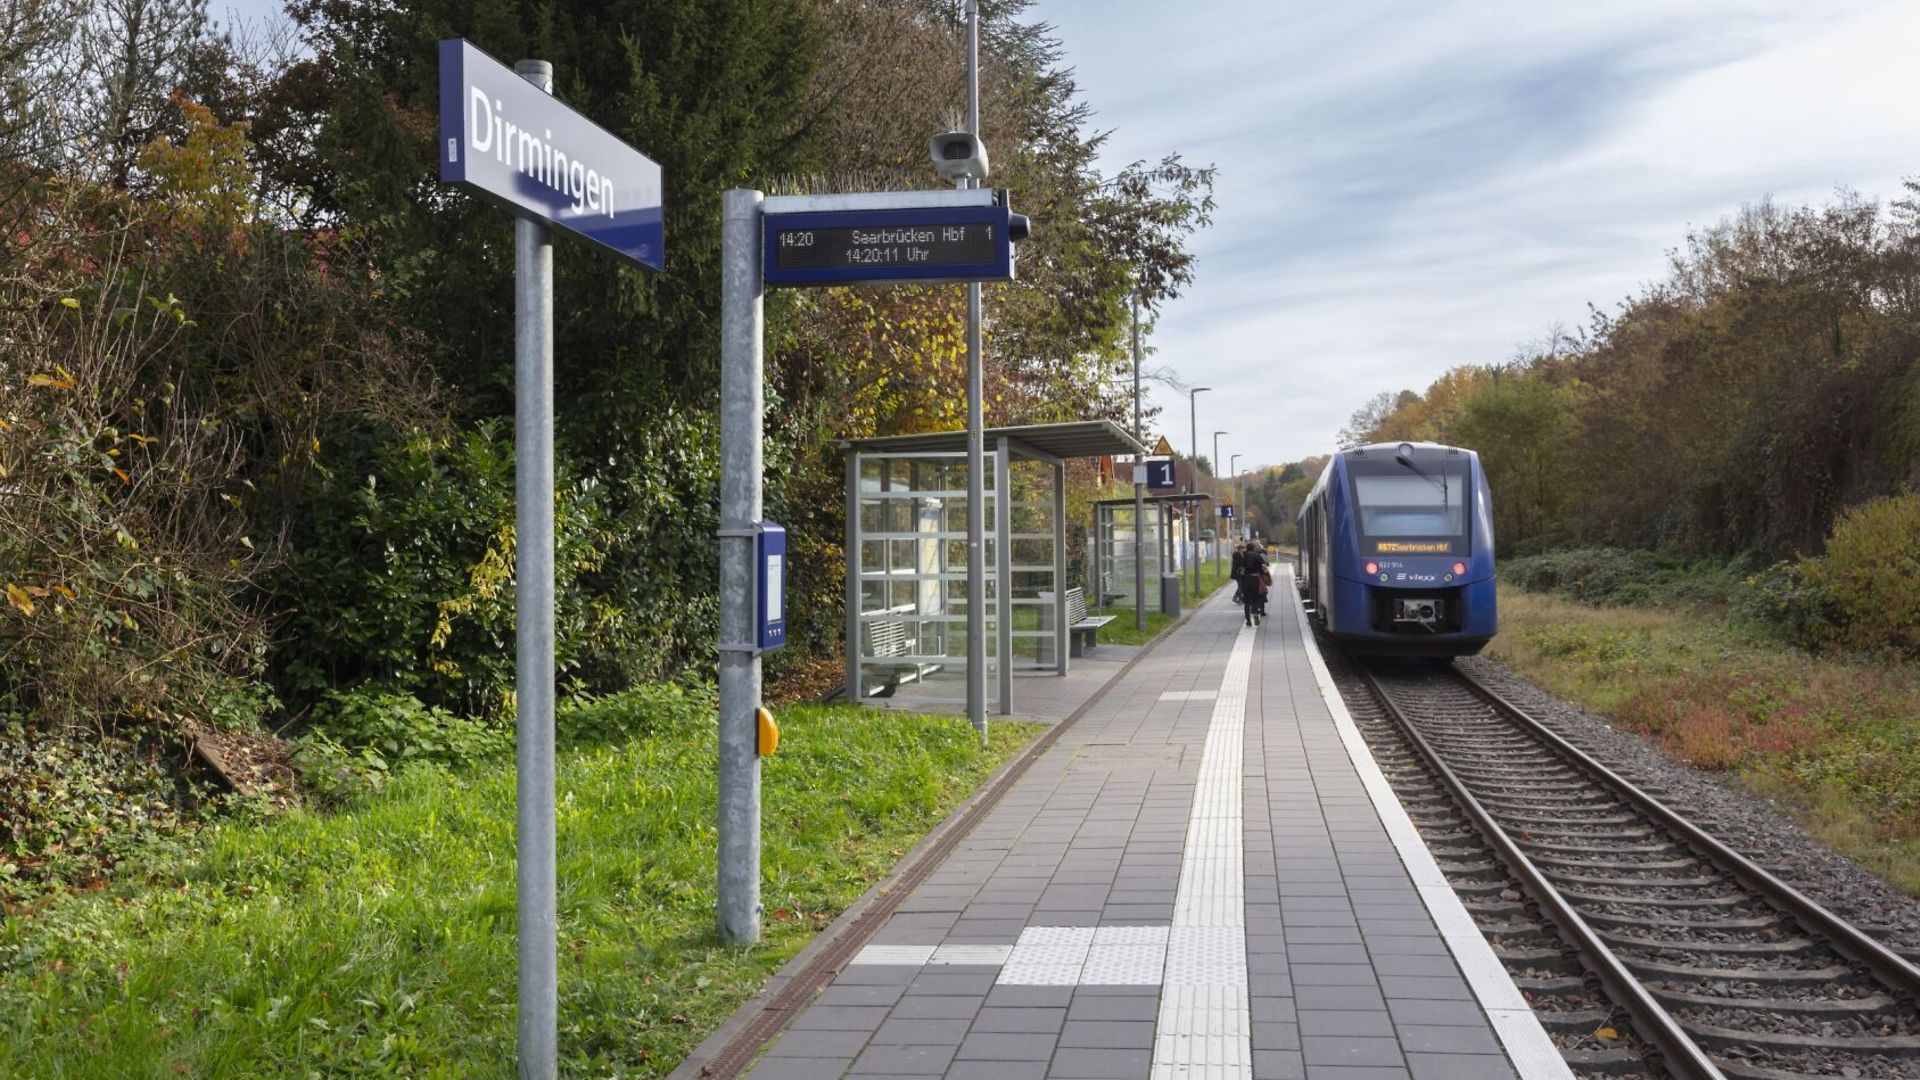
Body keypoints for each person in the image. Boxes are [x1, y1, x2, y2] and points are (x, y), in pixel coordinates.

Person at [1241, 542, 1269, 627]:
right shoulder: (1257, 556)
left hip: (1246, 580)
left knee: (1246, 601)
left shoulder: (1243, 556)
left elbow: (1241, 569)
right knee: (1255, 599)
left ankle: (1248, 620)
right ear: (1253, 548)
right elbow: (1263, 567)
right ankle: (1256, 614)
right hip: (1255, 579)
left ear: (1246, 548)